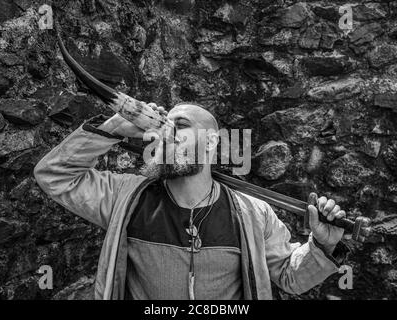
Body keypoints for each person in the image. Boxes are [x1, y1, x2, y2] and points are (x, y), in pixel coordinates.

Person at [34, 102, 346, 300]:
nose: (165, 135)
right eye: (162, 129)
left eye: (180, 126)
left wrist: (322, 247)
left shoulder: (253, 213)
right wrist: (113, 128)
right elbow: (55, 176)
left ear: (211, 141)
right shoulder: (126, 197)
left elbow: (289, 277)